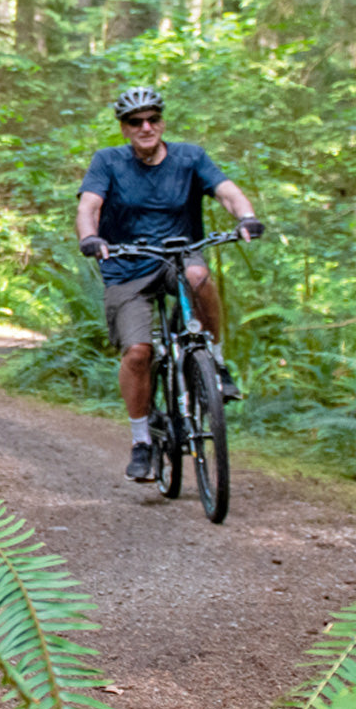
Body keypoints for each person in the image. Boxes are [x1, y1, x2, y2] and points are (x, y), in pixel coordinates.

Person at [75, 86, 264, 482]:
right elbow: (89, 205)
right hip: (127, 266)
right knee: (138, 353)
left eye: (153, 119)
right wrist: (90, 237)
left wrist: (245, 216)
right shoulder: (108, 161)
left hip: (179, 256)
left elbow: (227, 192)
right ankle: (142, 442)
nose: (145, 127)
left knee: (198, 275)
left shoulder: (190, 157)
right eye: (135, 121)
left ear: (162, 122)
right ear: (124, 128)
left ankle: (214, 361)